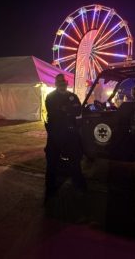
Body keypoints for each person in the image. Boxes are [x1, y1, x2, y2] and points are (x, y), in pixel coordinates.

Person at [44, 73, 86, 203]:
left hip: (70, 133)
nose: (62, 84)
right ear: (56, 84)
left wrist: (65, 109)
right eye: (60, 82)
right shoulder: (50, 97)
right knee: (52, 162)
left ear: (67, 83)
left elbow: (78, 110)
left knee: (75, 161)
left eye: (64, 82)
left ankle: (79, 186)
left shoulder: (72, 96)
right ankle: (50, 189)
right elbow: (53, 112)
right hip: (55, 134)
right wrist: (68, 110)